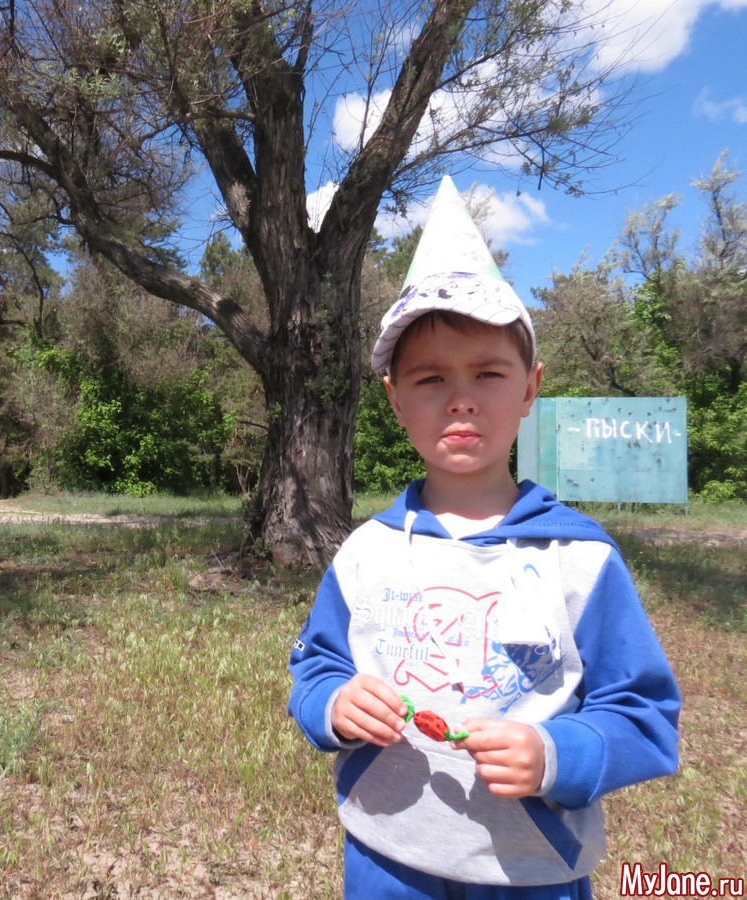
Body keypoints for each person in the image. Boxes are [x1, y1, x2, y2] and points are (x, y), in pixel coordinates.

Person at [287, 177, 681, 899]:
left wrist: (558, 754)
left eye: (489, 373)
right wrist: (332, 706)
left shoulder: (580, 559)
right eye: (430, 378)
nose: (461, 398)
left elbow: (645, 713)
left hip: (531, 870)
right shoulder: (365, 553)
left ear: (530, 388)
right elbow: (317, 667)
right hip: (383, 853)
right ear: (394, 399)